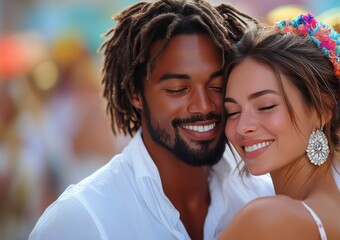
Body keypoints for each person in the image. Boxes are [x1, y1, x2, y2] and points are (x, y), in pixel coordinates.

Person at [29, 1, 274, 239]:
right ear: (136, 94)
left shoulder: (263, 195)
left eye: (217, 85)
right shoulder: (82, 219)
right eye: (178, 89)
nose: (204, 105)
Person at [217, 13, 340, 239]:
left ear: (321, 110)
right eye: (232, 112)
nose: (242, 127)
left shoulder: (266, 220)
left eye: (265, 106)